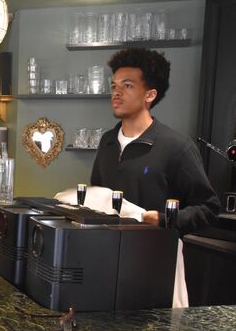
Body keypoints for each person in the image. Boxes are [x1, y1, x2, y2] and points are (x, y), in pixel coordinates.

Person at [90, 47, 219, 235]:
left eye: (127, 86)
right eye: (114, 86)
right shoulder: (107, 141)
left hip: (156, 249)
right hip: (107, 248)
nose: (117, 92)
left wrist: (164, 219)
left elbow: (209, 208)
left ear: (150, 95)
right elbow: (97, 195)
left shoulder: (177, 146)